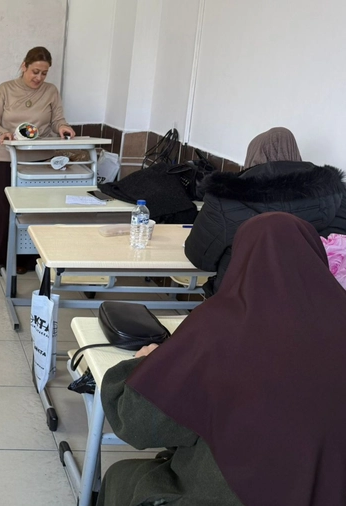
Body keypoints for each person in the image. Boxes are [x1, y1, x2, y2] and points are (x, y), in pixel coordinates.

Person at [99, 213, 346, 506]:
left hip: (234, 493)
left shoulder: (218, 327)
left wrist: (143, 365)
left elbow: (138, 426)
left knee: (122, 476)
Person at [185, 127, 346, 296]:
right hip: (319, 304)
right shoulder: (338, 195)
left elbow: (199, 257)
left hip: (243, 302)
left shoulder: (224, 197)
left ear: (253, 156)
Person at [0, 46, 75, 274]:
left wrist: (63, 127)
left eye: (44, 73)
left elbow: (57, 120)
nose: (39, 78)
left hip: (40, 158)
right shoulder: (5, 89)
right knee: (6, 206)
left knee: (34, 208)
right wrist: (2, 133)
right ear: (24, 66)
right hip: (8, 157)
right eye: (35, 72)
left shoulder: (51, 91)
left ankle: (28, 260)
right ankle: (1, 258)